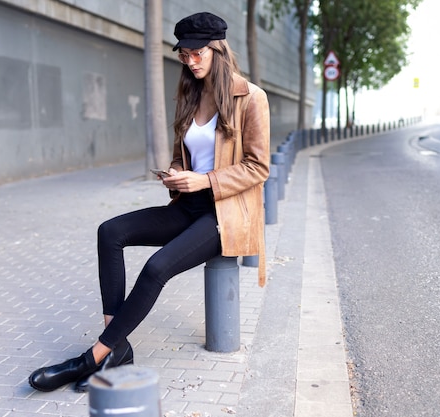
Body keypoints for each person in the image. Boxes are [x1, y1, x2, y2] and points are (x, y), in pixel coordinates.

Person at [29, 11, 270, 393]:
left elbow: (258, 167)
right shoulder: (191, 93)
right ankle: (115, 346)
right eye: (183, 54)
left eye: (197, 53)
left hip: (224, 214)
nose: (190, 61)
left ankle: (88, 359)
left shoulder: (250, 97)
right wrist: (175, 173)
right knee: (110, 232)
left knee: (157, 268)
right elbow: (182, 153)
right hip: (188, 206)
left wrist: (205, 179)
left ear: (218, 50)